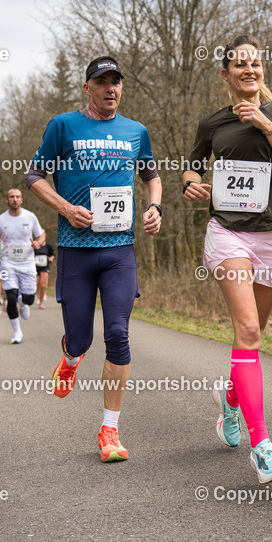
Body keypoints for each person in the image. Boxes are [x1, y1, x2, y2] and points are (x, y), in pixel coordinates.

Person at [182, 35, 272, 484]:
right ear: (226, 74)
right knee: (249, 329)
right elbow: (192, 165)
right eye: (240, 65)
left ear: (262, 71)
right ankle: (262, 447)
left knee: (254, 336)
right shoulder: (212, 123)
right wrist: (190, 183)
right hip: (228, 233)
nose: (249, 70)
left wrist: (266, 126)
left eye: (255, 64)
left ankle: (230, 400)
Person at [26, 56, 162, 463]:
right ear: (87, 87)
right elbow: (34, 176)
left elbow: (151, 174)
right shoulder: (63, 125)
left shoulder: (136, 132)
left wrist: (155, 207)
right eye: (101, 82)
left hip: (120, 249)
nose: (110, 89)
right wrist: (66, 209)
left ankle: (109, 431)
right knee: (83, 339)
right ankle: (70, 357)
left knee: (118, 334)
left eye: (116, 82)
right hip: (74, 250)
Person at [0, 189, 45, 344]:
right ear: (7, 200)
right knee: (10, 297)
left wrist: (38, 242)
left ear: (22, 200)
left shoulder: (30, 216)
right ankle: (17, 333)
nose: (14, 199)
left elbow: (41, 234)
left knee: (29, 298)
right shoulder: (0, 220)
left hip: (27, 262)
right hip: (8, 261)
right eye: (11, 197)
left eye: (17, 197)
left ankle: (24, 302)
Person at [35, 240, 55, 309]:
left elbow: (52, 254)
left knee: (43, 285)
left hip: (45, 267)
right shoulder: (35, 245)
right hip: (36, 267)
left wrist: (51, 258)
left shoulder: (48, 245)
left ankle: (41, 302)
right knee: (37, 285)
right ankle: (39, 296)